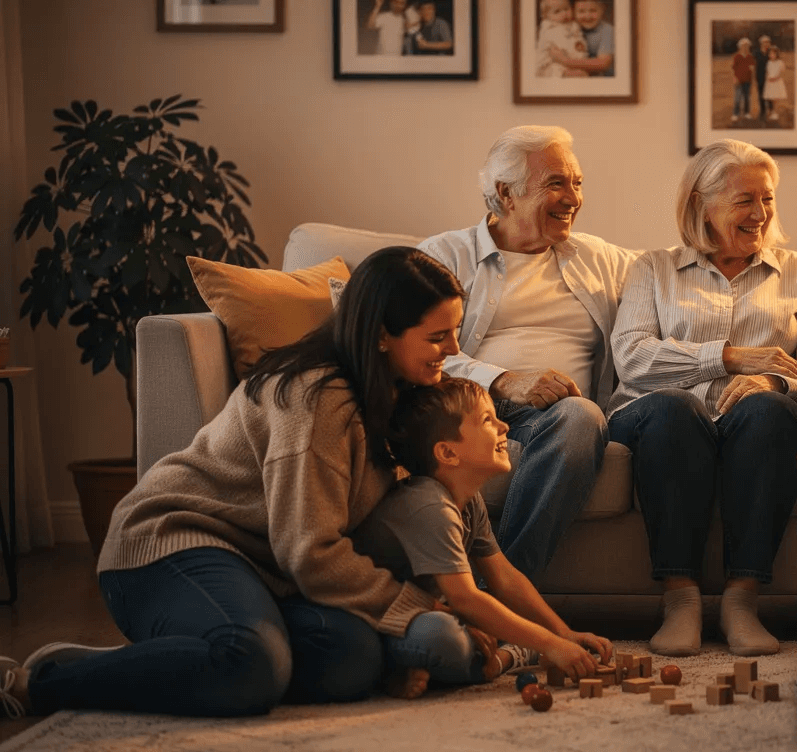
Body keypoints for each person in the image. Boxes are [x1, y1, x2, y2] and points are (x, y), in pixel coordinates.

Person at [0, 247, 468, 718]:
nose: (454, 349)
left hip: (264, 572)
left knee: (353, 659)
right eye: (438, 336)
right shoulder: (318, 398)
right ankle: (40, 684)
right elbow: (311, 551)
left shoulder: (400, 393)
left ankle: (166, 661)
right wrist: (413, 604)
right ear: (383, 335)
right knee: (251, 664)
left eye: (455, 332)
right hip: (169, 543)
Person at [607, 138, 797, 658]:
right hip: (659, 418)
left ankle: (742, 600)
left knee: (768, 410)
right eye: (745, 200)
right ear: (702, 204)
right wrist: (730, 358)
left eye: (767, 199)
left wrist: (775, 381)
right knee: (677, 407)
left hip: (756, 423)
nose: (760, 213)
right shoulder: (653, 269)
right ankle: (681, 601)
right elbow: (632, 358)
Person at [417, 126, 639, 581]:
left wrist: (777, 265)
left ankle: (502, 593)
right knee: (577, 414)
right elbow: (416, 347)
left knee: (581, 416)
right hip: (469, 403)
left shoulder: (601, 258)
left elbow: (673, 279)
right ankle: (509, 604)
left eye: (577, 183)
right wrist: (502, 380)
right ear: (506, 193)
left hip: (562, 415)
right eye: (556, 183)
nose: (573, 198)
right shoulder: (443, 255)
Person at [354, 378, 613, 699]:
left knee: (478, 630)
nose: (505, 426)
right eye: (488, 420)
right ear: (448, 452)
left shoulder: (467, 499)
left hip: (430, 609)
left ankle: (440, 665)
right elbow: (465, 599)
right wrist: (549, 644)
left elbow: (504, 576)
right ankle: (499, 658)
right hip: (373, 617)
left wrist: (563, 633)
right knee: (446, 640)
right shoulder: (429, 504)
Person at [548, 0, 615, 77]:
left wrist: (566, 61)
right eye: (581, 11)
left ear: (602, 10)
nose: (587, 16)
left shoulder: (607, 30)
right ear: (573, 11)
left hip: (601, 78)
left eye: (593, 11)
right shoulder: (569, 27)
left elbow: (603, 63)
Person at [535, 0, 588, 78]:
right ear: (546, 16)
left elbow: (578, 39)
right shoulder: (549, 27)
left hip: (573, 60)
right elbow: (547, 48)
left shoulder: (574, 25)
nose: (564, 14)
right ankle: (566, 73)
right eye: (557, 11)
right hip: (553, 61)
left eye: (566, 9)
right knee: (553, 69)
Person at [730, 38, 754, 123]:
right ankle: (735, 114)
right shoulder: (737, 56)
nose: (745, 47)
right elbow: (733, 68)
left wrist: (752, 69)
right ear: (740, 47)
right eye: (743, 46)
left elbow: (752, 67)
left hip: (748, 80)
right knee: (737, 98)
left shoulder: (750, 57)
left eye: (747, 46)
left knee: (747, 97)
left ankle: (747, 113)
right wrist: (735, 78)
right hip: (738, 80)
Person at [761, 46, 787, 122]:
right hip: (770, 82)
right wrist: (768, 78)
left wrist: (775, 78)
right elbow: (767, 72)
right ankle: (773, 112)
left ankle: (775, 113)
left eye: (773, 54)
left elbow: (782, 73)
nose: (772, 55)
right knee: (771, 98)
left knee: (776, 98)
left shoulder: (780, 63)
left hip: (777, 81)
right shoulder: (768, 62)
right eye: (770, 54)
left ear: (777, 54)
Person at [752, 35, 772, 121]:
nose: (766, 44)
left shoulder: (771, 52)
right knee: (761, 95)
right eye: (764, 42)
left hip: (770, 77)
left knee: (770, 95)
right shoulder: (756, 52)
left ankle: (771, 110)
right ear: (761, 43)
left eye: (767, 42)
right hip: (759, 76)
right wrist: (753, 76)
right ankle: (763, 111)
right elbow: (752, 64)